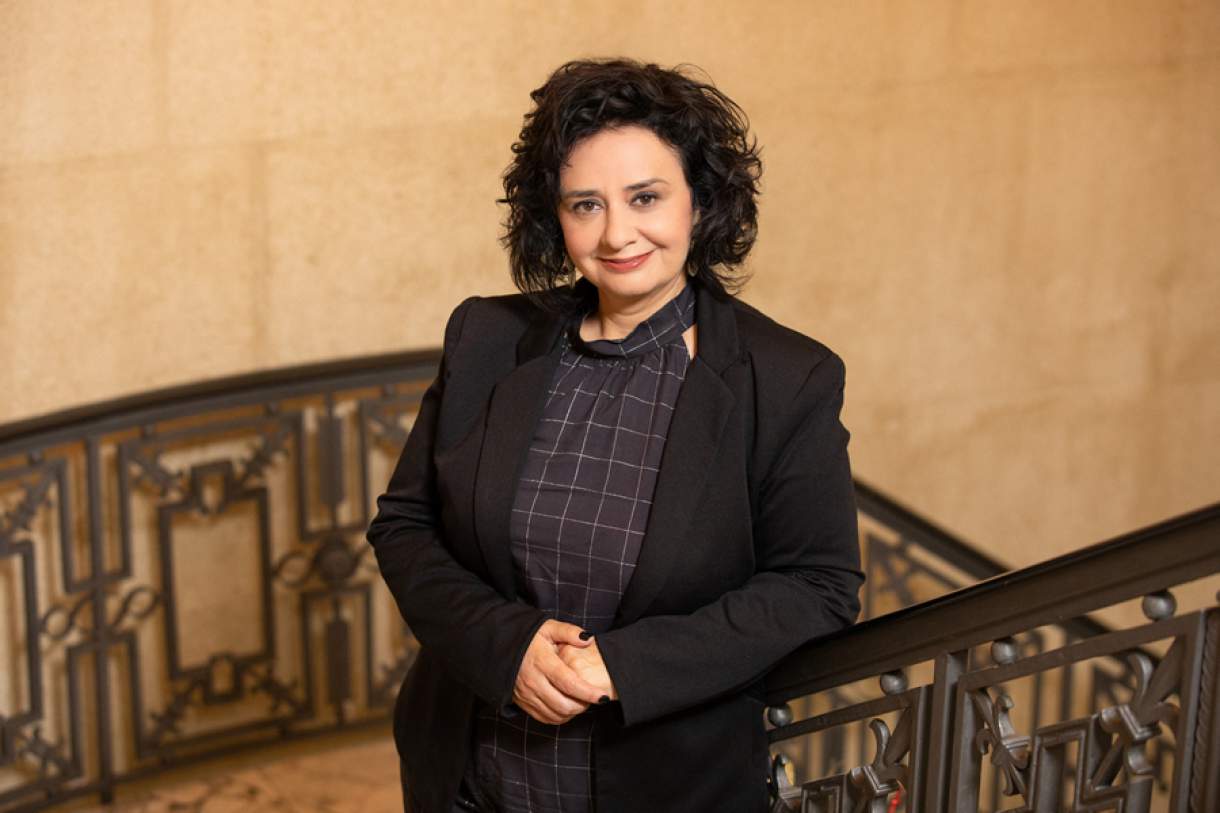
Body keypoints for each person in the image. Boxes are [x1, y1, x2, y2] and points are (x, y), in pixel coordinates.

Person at [367, 58, 863, 813]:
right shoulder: (485, 338)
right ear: (555, 216)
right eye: (586, 205)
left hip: (667, 787)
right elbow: (404, 525)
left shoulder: (787, 378)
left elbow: (816, 585)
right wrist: (507, 645)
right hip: (469, 777)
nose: (616, 233)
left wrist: (624, 667)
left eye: (645, 197)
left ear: (701, 200)